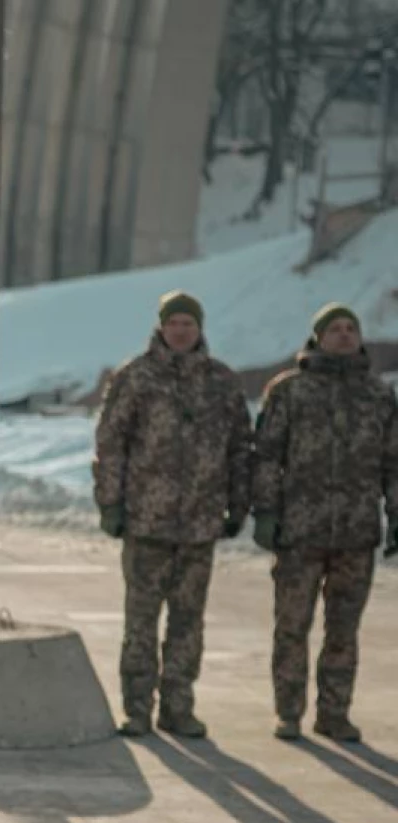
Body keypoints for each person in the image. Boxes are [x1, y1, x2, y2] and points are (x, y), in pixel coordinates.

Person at [92, 290, 251, 737]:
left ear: (200, 330)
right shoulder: (136, 377)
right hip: (146, 522)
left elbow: (240, 447)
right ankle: (137, 708)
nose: (181, 331)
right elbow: (111, 443)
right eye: (175, 323)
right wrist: (111, 503)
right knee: (140, 621)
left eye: (189, 324)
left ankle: (179, 706)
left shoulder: (221, 381)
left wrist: (237, 506)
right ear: (162, 327)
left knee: (188, 621)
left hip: (200, 524)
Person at [252, 302, 398, 742]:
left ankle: (333, 713)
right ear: (318, 337)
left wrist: (396, 517)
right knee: (292, 626)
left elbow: (393, 464)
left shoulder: (378, 395)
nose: (344, 335)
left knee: (343, 630)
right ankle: (289, 711)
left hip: (356, 534)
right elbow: (266, 457)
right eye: (334, 328)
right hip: (300, 532)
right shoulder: (289, 391)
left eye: (351, 328)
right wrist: (266, 513)